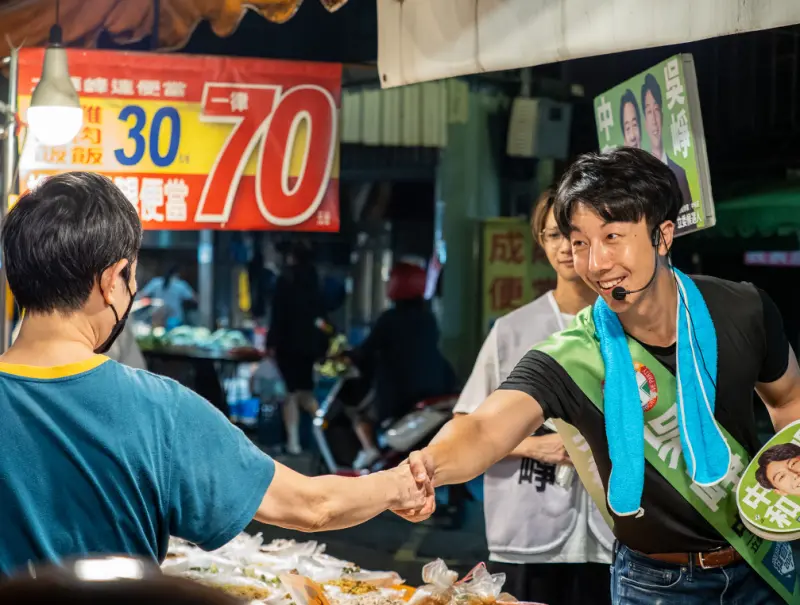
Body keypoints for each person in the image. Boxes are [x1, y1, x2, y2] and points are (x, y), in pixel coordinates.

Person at [400, 147, 800, 604]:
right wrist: (424, 467)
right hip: (653, 584)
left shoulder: (744, 309)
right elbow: (483, 426)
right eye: (581, 243)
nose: (595, 263)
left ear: (662, 235)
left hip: (764, 563)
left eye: (612, 236)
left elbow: (788, 399)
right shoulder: (572, 351)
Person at [0, 172, 429, 577]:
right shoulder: (159, 411)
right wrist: (396, 485)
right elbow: (311, 505)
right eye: (132, 278)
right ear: (112, 280)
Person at [453, 191, 612, 605]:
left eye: (576, 235)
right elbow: (466, 424)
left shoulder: (629, 329)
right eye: (554, 234)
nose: (565, 247)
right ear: (540, 241)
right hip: (527, 530)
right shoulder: (512, 330)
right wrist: (535, 446)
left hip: (615, 531)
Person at [346, 259, 456, 470]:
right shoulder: (428, 318)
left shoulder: (389, 319)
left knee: (360, 414)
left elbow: (366, 351)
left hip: (399, 397)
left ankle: (370, 450)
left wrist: (352, 356)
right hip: (435, 391)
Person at [267, 241, 327, 455]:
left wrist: (270, 343)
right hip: (309, 345)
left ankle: (293, 442)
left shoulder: (285, 280)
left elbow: (278, 314)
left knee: (291, 393)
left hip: (287, 344)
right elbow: (321, 317)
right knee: (305, 390)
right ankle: (324, 427)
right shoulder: (314, 281)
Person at [641, 74, 692, 207]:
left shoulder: (680, 172)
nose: (654, 120)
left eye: (656, 110)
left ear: (662, 116)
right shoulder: (640, 179)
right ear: (645, 121)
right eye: (648, 112)